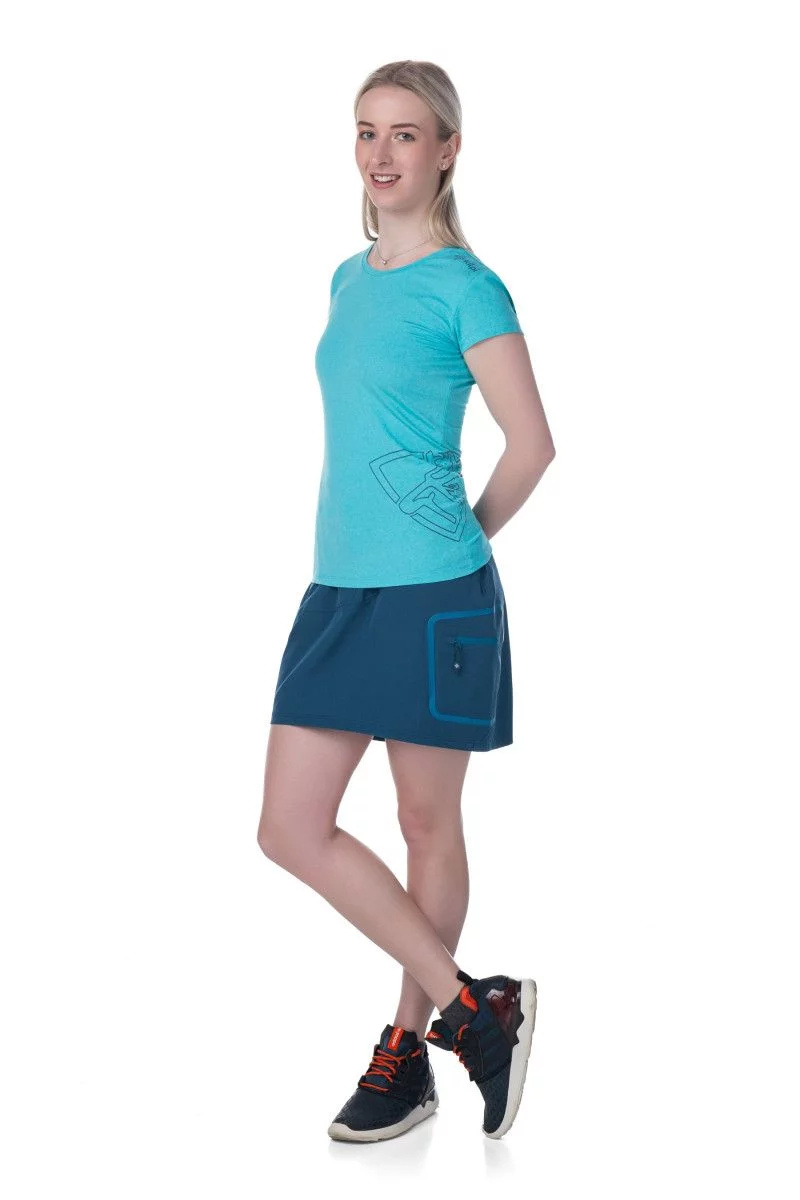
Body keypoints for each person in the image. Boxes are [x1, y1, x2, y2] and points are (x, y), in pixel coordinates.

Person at [257, 59, 556, 1143]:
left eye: (404, 134)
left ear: (447, 151)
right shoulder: (351, 276)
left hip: (433, 595)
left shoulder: (468, 286)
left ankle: (405, 1050)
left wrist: (458, 541)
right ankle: (474, 1010)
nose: (380, 154)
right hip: (338, 591)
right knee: (289, 828)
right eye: (365, 131)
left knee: (425, 822)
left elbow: (532, 444)